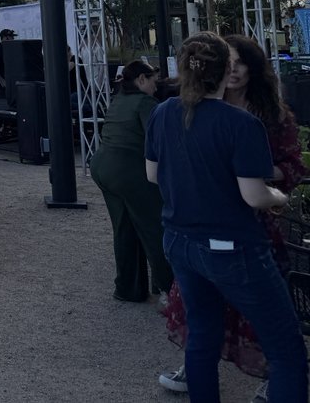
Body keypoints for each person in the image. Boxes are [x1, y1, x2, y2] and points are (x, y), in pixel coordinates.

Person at [145, 33, 306, 403]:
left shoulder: (163, 111)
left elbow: (152, 175)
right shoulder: (240, 124)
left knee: (202, 336)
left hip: (179, 240)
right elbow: (255, 196)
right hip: (232, 246)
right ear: (225, 69)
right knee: (286, 349)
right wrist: (280, 196)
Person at [90, 60, 172, 303]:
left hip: (103, 167)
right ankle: (169, 289)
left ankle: (128, 288)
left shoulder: (118, 100)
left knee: (124, 228)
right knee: (155, 228)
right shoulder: (146, 102)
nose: (156, 85)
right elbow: (157, 140)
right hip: (128, 171)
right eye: (154, 80)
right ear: (141, 79)